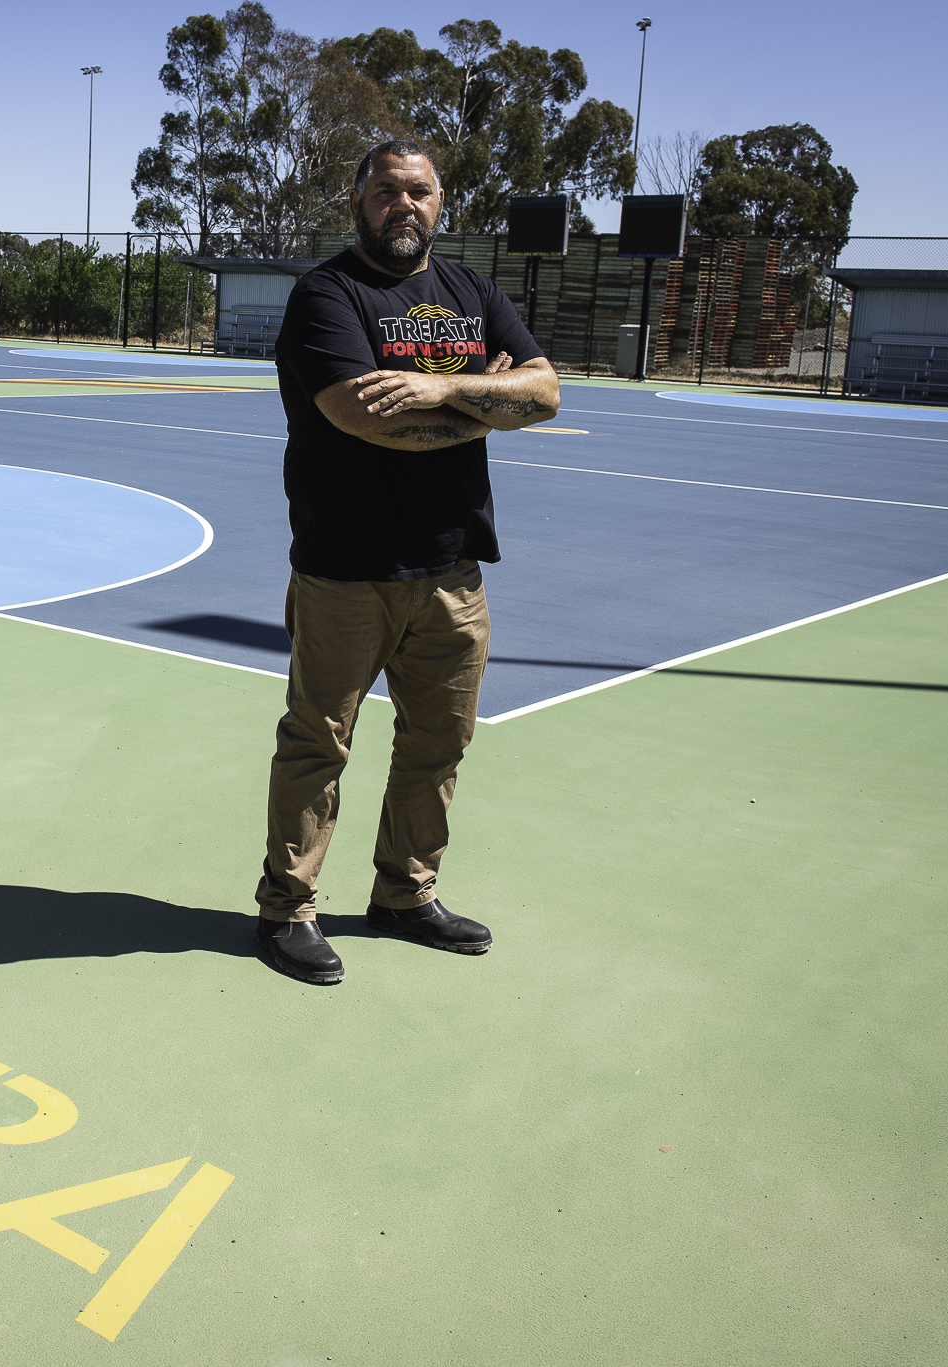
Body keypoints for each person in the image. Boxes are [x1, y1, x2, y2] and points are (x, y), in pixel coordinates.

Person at [255, 139, 561, 985]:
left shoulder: (471, 288)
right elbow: (364, 416)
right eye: (387, 190)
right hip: (345, 568)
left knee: (439, 741)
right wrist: (480, 396)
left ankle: (405, 893)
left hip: (455, 567)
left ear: (440, 203)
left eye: (419, 191)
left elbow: (546, 391)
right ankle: (287, 907)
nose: (404, 204)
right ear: (357, 201)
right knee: (318, 743)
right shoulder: (326, 295)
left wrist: (431, 388)